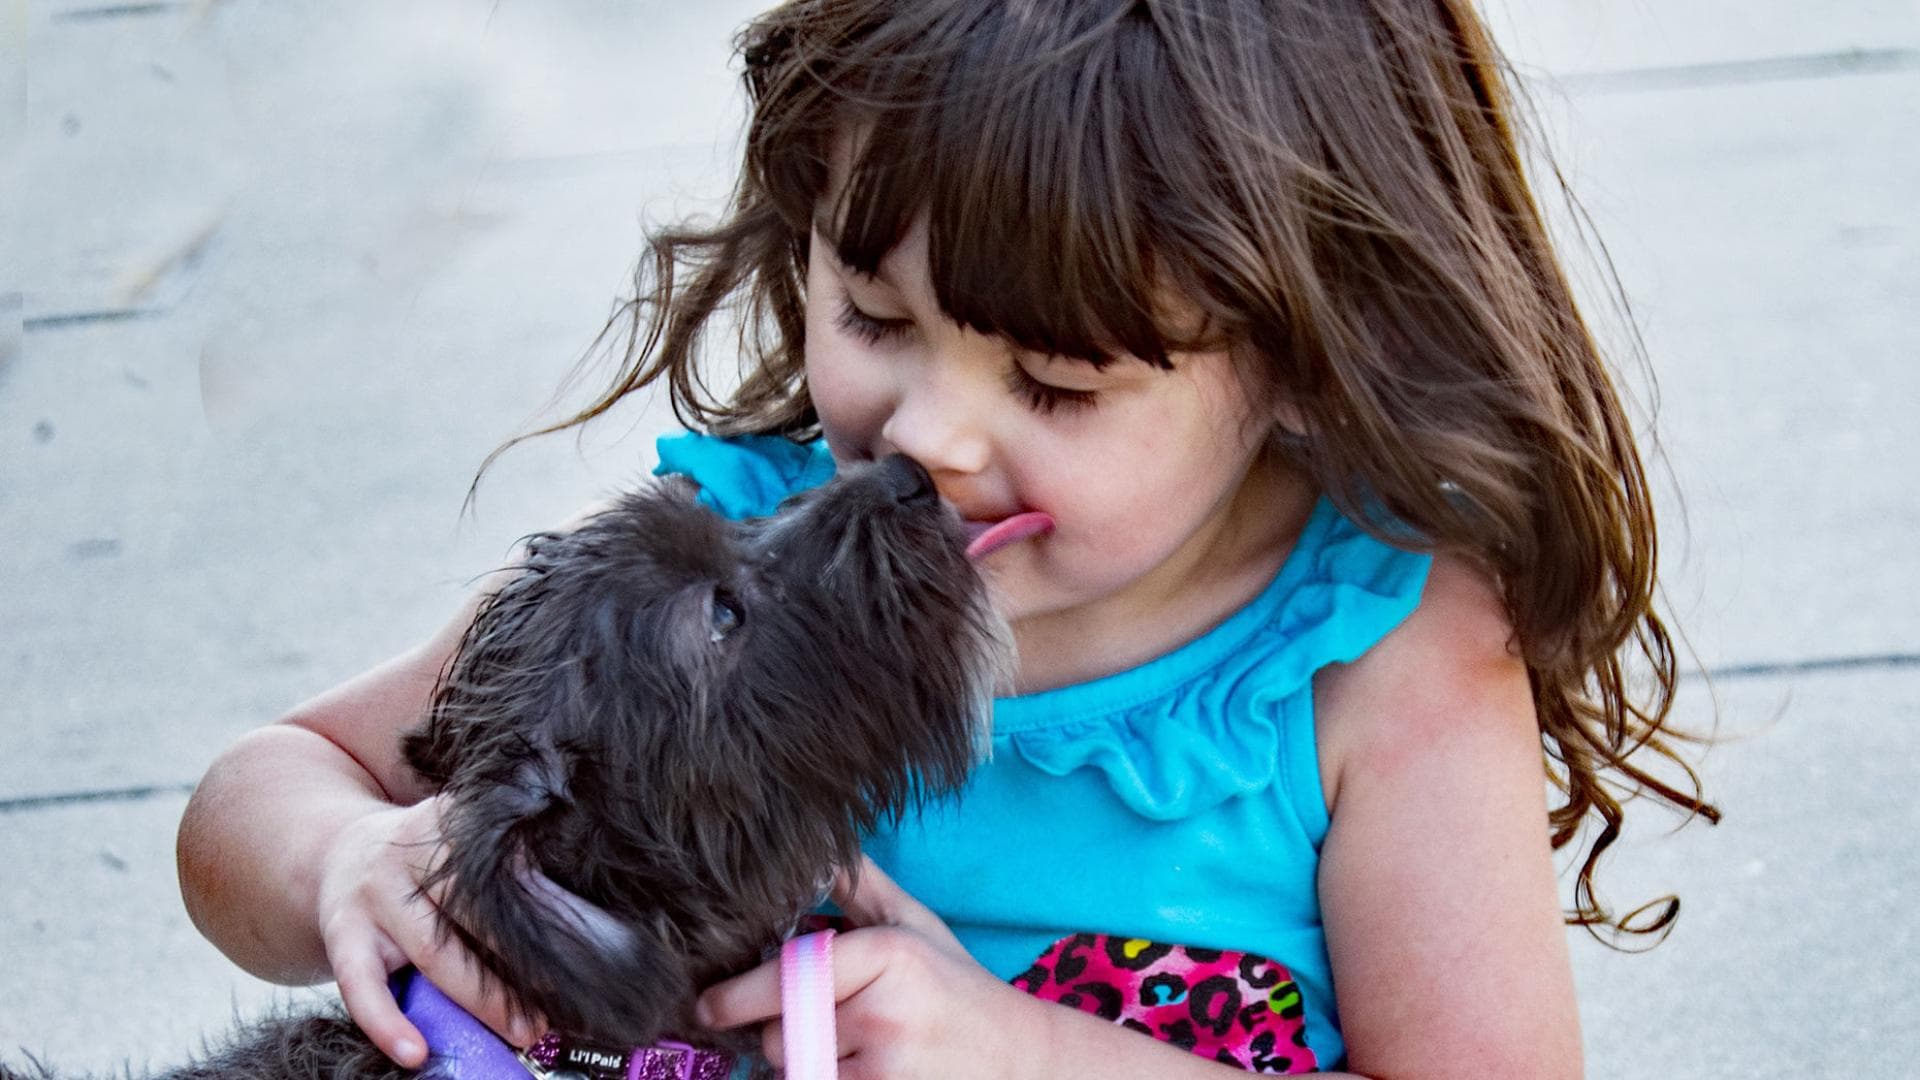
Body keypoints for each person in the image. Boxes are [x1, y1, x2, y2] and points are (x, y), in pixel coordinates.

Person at [177, 1, 1719, 1076]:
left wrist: (1031, 1056)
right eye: (872, 315)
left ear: (1311, 362)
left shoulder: (1379, 665)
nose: (930, 437)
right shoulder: (731, 567)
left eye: (1056, 380)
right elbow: (263, 787)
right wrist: (347, 859)